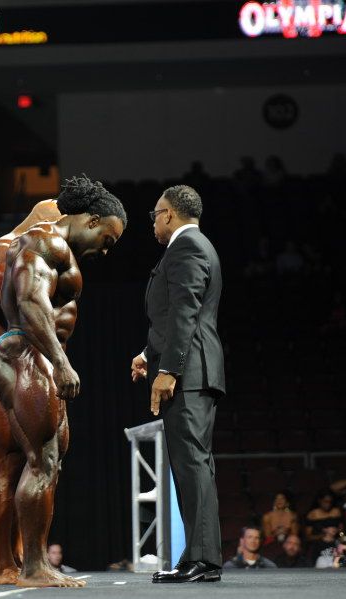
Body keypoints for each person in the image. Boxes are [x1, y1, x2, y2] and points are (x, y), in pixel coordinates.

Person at [0, 175, 126, 587]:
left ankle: (29, 562)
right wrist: (61, 363)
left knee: (47, 462)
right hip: (28, 355)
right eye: (106, 238)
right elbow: (31, 302)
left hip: (33, 356)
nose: (105, 250)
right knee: (42, 462)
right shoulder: (45, 242)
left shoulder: (55, 247)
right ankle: (33, 566)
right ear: (91, 219)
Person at [0, 198, 61, 584]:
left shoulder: (17, 253)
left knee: (25, 466)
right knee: (10, 465)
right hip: (1, 367)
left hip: (8, 366)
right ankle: (3, 563)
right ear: (44, 225)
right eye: (55, 232)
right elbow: (23, 316)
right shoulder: (6, 253)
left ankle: (16, 559)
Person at [132, 185, 225, 584]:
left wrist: (168, 369)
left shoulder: (187, 248)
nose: (153, 222)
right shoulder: (195, 247)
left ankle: (203, 560)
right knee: (191, 465)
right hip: (192, 368)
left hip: (189, 374)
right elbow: (176, 315)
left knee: (192, 464)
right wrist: (148, 354)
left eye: (155, 214)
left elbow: (186, 310)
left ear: (168, 214)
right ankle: (198, 557)